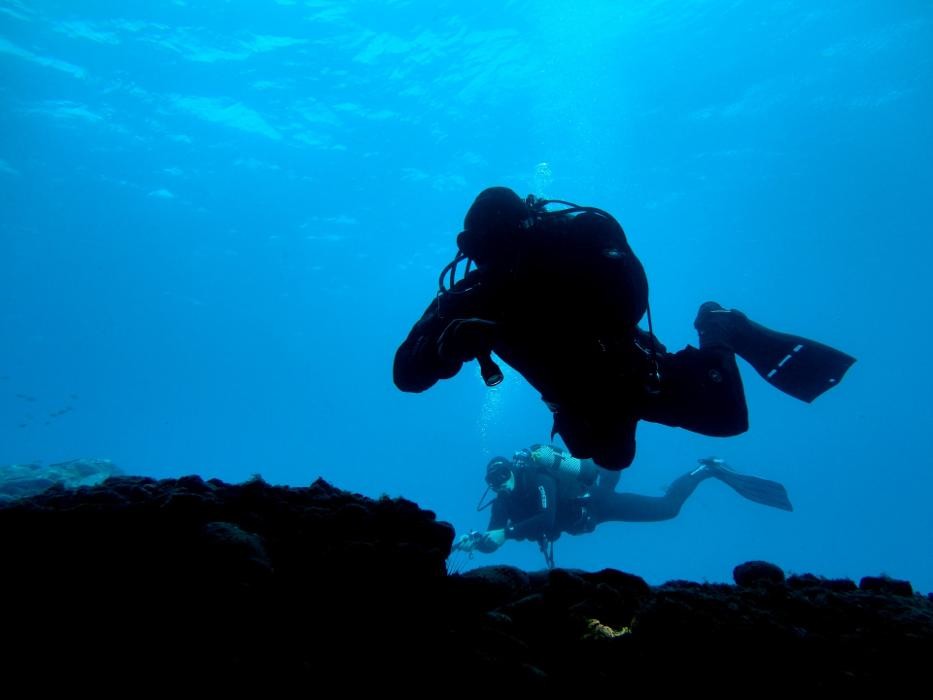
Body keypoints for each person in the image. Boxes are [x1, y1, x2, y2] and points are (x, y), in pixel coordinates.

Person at [394, 187, 855, 470]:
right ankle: (611, 414)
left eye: (505, 247)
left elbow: (628, 306)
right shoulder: (468, 297)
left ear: (528, 230)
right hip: (573, 396)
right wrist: (444, 348)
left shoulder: (571, 253)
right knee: (607, 455)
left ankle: (718, 329)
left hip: (621, 365)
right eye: (485, 253)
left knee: (727, 418)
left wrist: (556, 314)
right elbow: (405, 374)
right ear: (471, 251)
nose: (499, 265)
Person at [452, 446, 792, 566]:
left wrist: (507, 533)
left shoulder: (540, 480)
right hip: (586, 518)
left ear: (514, 469)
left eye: (503, 475)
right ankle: (608, 466)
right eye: (493, 480)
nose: (500, 483)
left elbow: (547, 517)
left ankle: (708, 469)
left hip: (597, 506)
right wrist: (478, 542)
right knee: (609, 473)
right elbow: (495, 537)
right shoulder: (504, 501)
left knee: (668, 509)